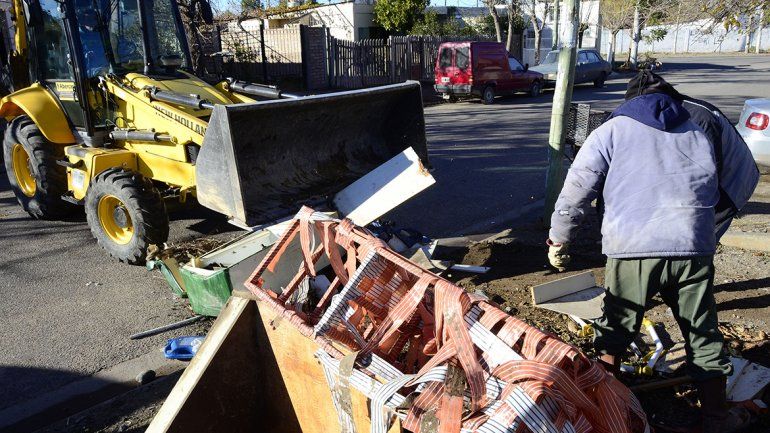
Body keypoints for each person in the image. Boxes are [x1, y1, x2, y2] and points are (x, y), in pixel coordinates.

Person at [547, 72, 759, 433]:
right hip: (692, 246)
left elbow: (577, 190)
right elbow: (713, 186)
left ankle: (607, 409)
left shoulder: (611, 131)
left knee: (616, 329)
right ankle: (716, 418)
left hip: (633, 246)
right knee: (702, 332)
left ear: (630, 102)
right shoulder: (695, 131)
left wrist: (559, 238)